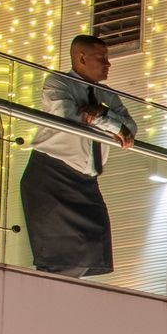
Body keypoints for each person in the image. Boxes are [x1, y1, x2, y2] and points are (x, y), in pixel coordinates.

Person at [18, 34, 137, 278]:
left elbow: (131, 129)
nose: (108, 64)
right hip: (51, 174)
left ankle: (63, 294)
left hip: (85, 181)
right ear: (81, 58)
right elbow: (69, 117)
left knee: (95, 243)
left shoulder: (108, 97)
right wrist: (112, 123)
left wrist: (101, 115)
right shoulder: (58, 83)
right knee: (57, 254)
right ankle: (50, 296)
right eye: (101, 58)